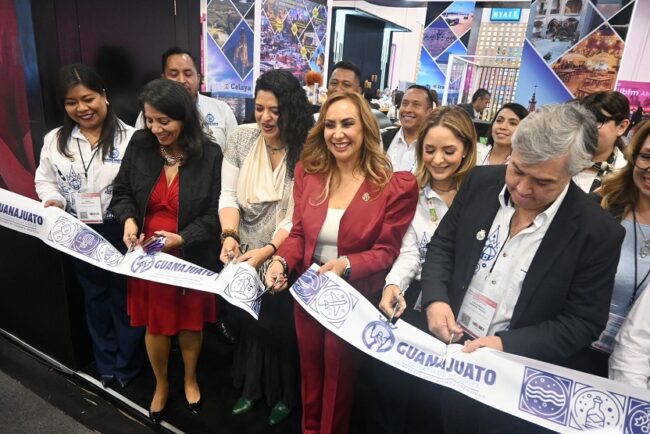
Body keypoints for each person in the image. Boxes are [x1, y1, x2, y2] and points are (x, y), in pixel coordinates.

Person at [421, 103, 625, 433]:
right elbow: (444, 246)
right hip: (451, 352)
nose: (523, 188)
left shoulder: (597, 232)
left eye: (542, 181)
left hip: (516, 380)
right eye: (517, 170)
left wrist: (506, 344)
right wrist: (435, 299)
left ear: (575, 171)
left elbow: (583, 321)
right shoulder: (480, 182)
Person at [264, 91, 419, 434]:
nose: (338, 134)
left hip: (353, 297)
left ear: (365, 128)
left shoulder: (393, 185)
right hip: (308, 291)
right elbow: (299, 234)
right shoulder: (309, 174)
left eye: (347, 124)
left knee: (338, 380)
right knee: (309, 373)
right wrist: (280, 262)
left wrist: (345, 265)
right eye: (330, 125)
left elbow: (386, 251)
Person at [111, 79, 223, 424]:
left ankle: (189, 378)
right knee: (156, 325)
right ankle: (161, 384)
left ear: (184, 117)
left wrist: (182, 238)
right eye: (150, 120)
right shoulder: (141, 144)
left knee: (190, 324)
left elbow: (215, 215)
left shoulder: (210, 154)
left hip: (189, 256)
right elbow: (121, 191)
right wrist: (129, 220)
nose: (156, 129)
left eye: (165, 121)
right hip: (148, 256)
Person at [369, 106, 478, 434]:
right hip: (415, 302)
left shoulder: (484, 197)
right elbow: (409, 252)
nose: (438, 160)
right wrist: (393, 285)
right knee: (396, 390)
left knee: (440, 402)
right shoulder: (412, 193)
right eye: (430, 150)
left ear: (466, 150)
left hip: (462, 310)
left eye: (449, 151)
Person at [34, 63, 144, 389]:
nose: (81, 108)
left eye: (88, 98)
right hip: (78, 230)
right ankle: (105, 364)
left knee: (124, 299)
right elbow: (45, 181)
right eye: (71, 102)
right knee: (94, 298)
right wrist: (54, 200)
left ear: (104, 96)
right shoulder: (56, 140)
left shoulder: (131, 138)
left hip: (120, 229)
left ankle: (128, 366)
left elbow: (140, 189)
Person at [218, 69, 313, 425]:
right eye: (260, 108)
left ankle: (284, 396)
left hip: (286, 252)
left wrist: (271, 251)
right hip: (244, 247)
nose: (266, 118)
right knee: (249, 325)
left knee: (280, 328)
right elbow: (228, 195)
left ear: (291, 109)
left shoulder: (307, 149)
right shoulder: (241, 139)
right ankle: (251, 388)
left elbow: (297, 216)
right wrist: (229, 235)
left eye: (275, 110)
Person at [593, 121, 650, 382]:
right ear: (633, 156)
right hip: (576, 351)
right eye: (647, 157)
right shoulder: (602, 204)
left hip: (640, 372)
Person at [135, 47, 237, 150]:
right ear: (164, 79)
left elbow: (236, 153)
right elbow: (139, 150)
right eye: (174, 74)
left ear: (198, 78)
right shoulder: (150, 113)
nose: (181, 80)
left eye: (188, 74)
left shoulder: (222, 110)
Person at [574, 91, 630, 192]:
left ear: (621, 127)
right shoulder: (558, 158)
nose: (587, 127)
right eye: (583, 120)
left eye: (596, 121)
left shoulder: (626, 177)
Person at [382, 84, 435, 172]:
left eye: (416, 105)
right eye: (405, 103)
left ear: (429, 112)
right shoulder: (382, 139)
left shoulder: (434, 146)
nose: (408, 109)